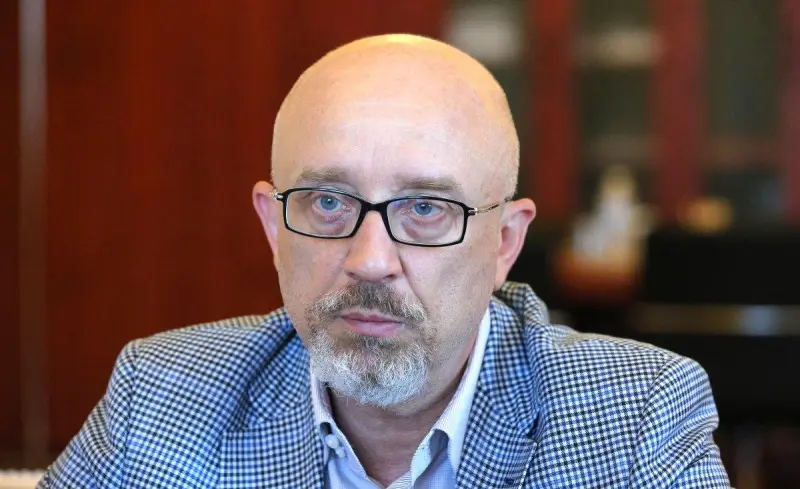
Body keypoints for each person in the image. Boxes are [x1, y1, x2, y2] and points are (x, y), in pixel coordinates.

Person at [38, 34, 731, 488]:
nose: (370, 260)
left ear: (504, 243)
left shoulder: (631, 415)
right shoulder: (162, 398)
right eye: (328, 202)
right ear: (274, 225)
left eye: (425, 208)